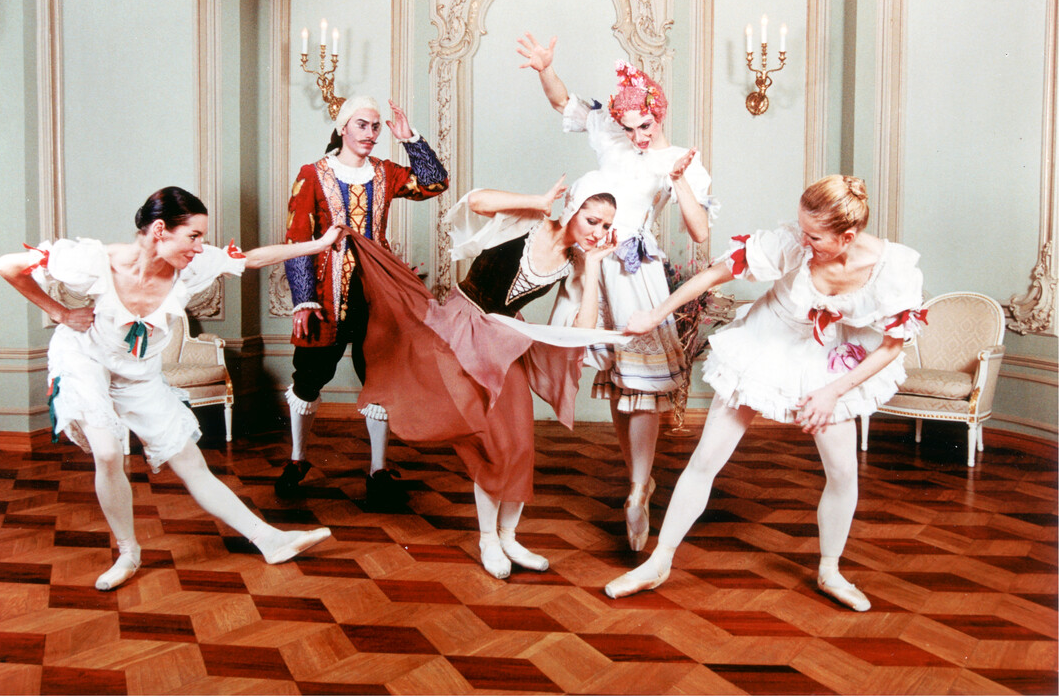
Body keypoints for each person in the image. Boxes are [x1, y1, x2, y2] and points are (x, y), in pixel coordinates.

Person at [603, 175, 926, 612]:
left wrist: (832, 392)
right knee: (706, 460)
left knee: (843, 472)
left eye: (814, 235)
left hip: (829, 362)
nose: (803, 239)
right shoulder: (792, 242)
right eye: (801, 228)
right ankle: (658, 562)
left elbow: (891, 345)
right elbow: (718, 272)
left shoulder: (892, 268)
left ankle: (830, 570)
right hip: (765, 343)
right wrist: (655, 314)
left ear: (848, 236)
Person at [0, 187, 337, 591]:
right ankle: (128, 552)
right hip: (87, 361)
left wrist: (320, 243)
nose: (200, 246)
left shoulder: (193, 265)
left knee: (190, 462)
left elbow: (254, 258)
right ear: (160, 229)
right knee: (107, 451)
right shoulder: (95, 260)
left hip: (138, 373)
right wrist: (60, 312)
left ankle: (271, 540)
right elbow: (8, 265)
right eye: (193, 236)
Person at [341, 171, 629, 578]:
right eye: (591, 220)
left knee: (520, 443)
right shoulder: (531, 220)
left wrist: (596, 265)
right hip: (460, 325)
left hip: (504, 340)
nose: (598, 231)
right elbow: (475, 201)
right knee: (491, 444)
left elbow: (581, 327)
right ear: (571, 208)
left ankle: (509, 537)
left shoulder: (577, 263)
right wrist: (536, 197)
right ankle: (488, 541)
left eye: (605, 226)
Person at [517, 33, 718, 552]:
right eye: (629, 128)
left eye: (645, 125)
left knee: (642, 383)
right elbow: (565, 102)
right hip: (591, 266)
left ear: (658, 113)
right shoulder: (610, 130)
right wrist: (545, 69)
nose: (638, 136)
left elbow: (699, 232)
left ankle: (636, 487)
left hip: (634, 272)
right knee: (615, 379)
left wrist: (681, 183)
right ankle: (640, 483)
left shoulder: (678, 158)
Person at [279, 96, 449, 507]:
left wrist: (411, 140)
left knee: (381, 379)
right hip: (325, 297)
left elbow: (435, 183)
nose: (370, 134)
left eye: (375, 126)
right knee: (308, 379)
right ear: (342, 128)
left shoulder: (385, 173)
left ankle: (377, 469)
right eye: (362, 125)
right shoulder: (312, 175)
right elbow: (298, 240)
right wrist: (303, 301)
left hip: (378, 295)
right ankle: (298, 458)